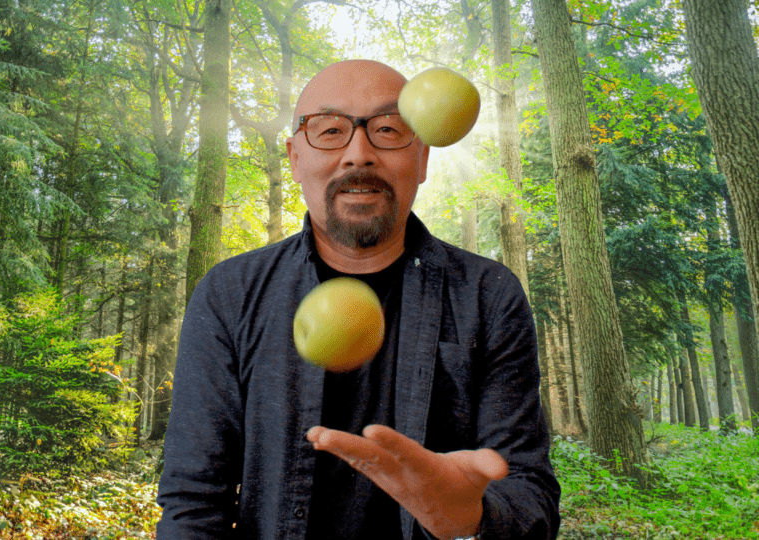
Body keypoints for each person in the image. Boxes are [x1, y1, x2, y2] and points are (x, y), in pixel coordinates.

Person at [156, 59, 561, 540]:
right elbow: (193, 506)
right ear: (294, 158)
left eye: (388, 129)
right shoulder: (229, 294)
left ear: (424, 158)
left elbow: (529, 495)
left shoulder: (489, 295)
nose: (358, 154)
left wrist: (468, 518)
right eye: (329, 130)